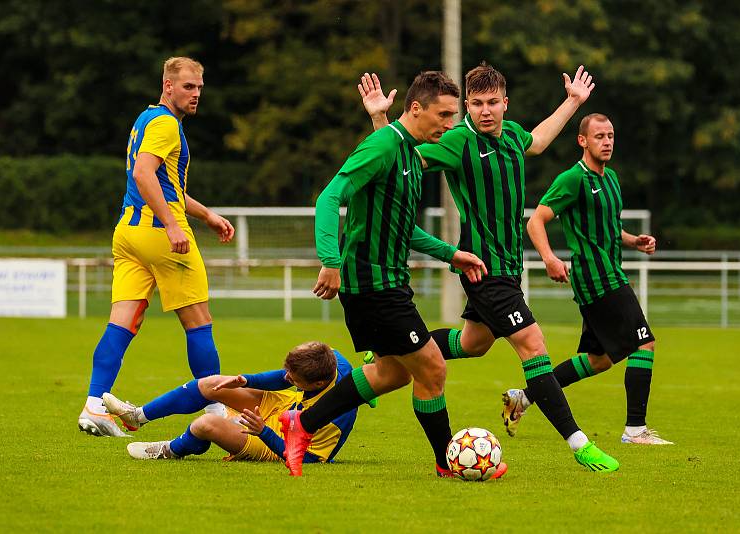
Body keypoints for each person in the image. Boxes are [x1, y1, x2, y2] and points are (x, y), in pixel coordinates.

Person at [359, 64, 619, 472]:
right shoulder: (457, 141)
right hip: (483, 269)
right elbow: (398, 156)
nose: (485, 111)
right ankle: (579, 443)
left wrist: (572, 102)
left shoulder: (513, 136)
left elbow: (539, 140)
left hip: (509, 269)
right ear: (467, 104)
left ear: (505, 104)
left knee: (473, 344)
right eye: (476, 103)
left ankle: (392, 352)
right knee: (534, 346)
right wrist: (380, 118)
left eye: (492, 102)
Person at [280, 71, 494, 478]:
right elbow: (330, 196)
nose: (450, 124)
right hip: (371, 284)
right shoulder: (382, 146)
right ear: (416, 108)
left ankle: (301, 423)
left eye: (454, 115)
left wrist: (451, 254)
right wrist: (330, 259)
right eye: (444, 114)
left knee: (392, 372)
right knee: (432, 368)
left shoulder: (411, 156)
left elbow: (402, 226)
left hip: (390, 282)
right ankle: (448, 462)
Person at [78, 56, 235, 437]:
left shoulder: (145, 119)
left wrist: (208, 216)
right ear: (168, 86)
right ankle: (217, 408)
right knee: (198, 323)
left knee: (122, 321)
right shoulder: (166, 124)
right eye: (187, 87)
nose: (196, 94)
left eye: (199, 87)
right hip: (160, 236)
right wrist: (171, 225)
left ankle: (94, 405)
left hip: (128, 234)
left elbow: (169, 187)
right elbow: (143, 174)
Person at [503, 113, 673, 445]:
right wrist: (550, 258)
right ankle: (635, 430)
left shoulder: (611, 180)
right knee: (644, 343)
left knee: (600, 360)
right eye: (599, 136)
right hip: (597, 279)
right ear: (582, 141)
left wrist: (632, 240)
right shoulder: (573, 179)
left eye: (610, 135)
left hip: (610, 273)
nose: (607, 141)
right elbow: (536, 221)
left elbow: (609, 227)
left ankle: (524, 397)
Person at [102, 342, 360, 462]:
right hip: (288, 405)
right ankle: (137, 416)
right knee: (210, 383)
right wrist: (246, 381)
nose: (288, 377)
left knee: (206, 425)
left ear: (316, 385)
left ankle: (170, 450)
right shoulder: (331, 359)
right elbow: (284, 379)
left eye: (295, 377)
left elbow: (305, 458)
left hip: (289, 440)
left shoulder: (325, 418)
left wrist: (264, 432)